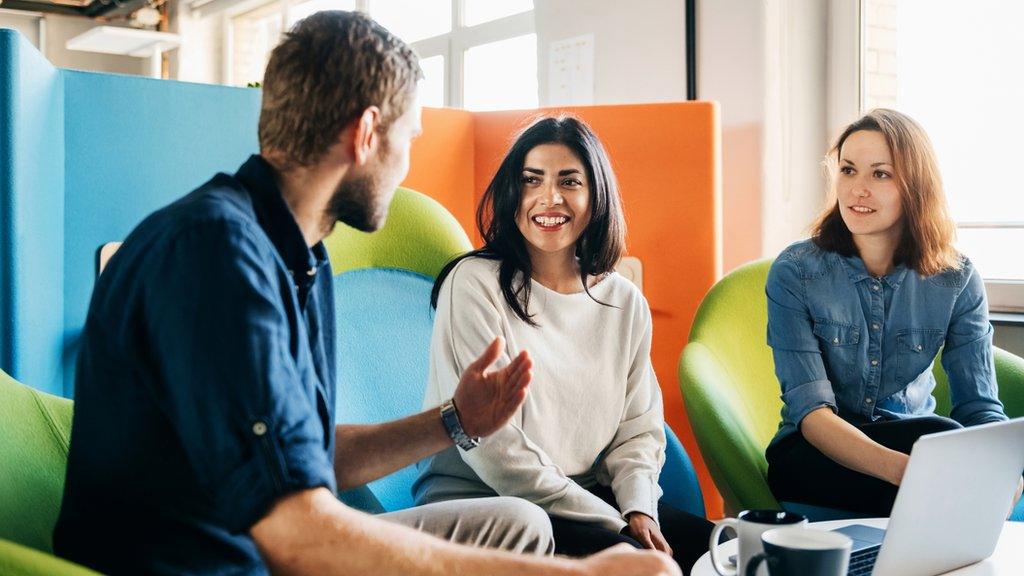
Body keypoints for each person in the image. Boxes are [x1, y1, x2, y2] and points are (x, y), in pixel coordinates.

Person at [52, 11, 679, 576]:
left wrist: (454, 421)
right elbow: (296, 538)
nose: (406, 163)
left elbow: (307, 458)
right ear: (366, 133)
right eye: (407, 140)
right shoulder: (216, 256)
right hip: (207, 562)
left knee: (513, 524)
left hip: (265, 539)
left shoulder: (300, 258)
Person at [413, 115, 713, 574]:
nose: (548, 198)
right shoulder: (473, 283)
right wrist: (613, 522)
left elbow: (639, 430)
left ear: (596, 196)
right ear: (513, 193)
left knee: (725, 549)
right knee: (644, 565)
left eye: (569, 181)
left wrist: (639, 510)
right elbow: (494, 448)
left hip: (589, 500)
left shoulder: (622, 301)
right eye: (531, 180)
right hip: (490, 503)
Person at [764, 108, 1024, 516]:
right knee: (940, 440)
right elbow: (812, 415)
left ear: (915, 187)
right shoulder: (795, 272)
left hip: (916, 442)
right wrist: (911, 473)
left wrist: (1003, 469)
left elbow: (979, 407)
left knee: (946, 441)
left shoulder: (956, 279)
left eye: (879, 174)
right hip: (816, 455)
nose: (857, 190)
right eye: (848, 170)